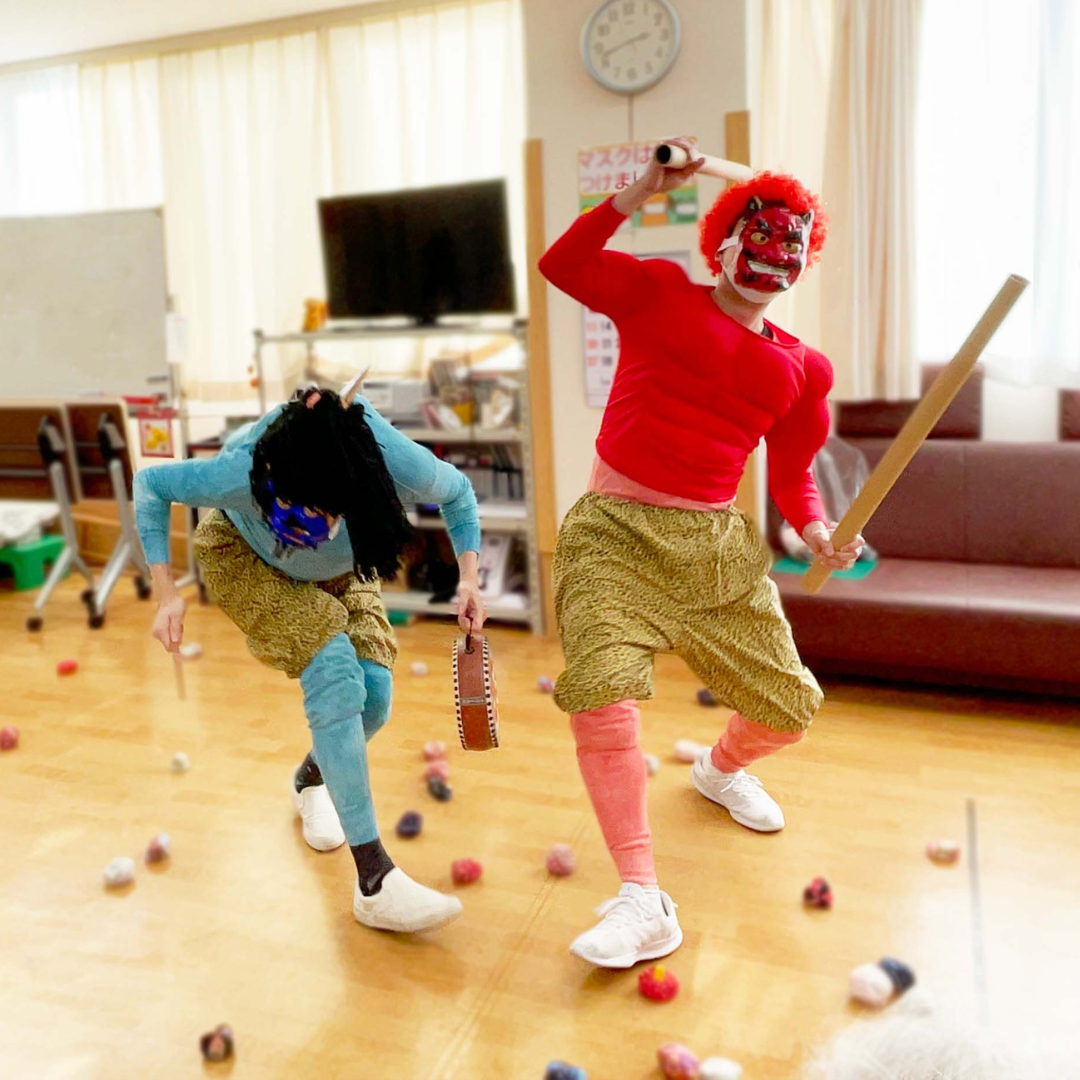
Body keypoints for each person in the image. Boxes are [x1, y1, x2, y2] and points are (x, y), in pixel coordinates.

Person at [538, 138, 863, 968]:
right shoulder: (656, 292)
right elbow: (561, 265)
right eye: (760, 235)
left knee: (789, 706)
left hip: (714, 544)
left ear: (804, 263)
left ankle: (719, 772)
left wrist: (818, 534)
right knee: (601, 694)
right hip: (613, 531)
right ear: (721, 241)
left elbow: (794, 475)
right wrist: (641, 188)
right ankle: (642, 898)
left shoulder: (805, 369)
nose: (773, 253)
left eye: (792, 244)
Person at [134, 380, 486, 934]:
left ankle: (311, 779)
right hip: (245, 560)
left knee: (374, 697)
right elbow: (150, 484)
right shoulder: (240, 469)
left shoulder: (394, 463)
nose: (298, 529)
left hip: (345, 569)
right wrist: (166, 593)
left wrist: (468, 578)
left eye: (315, 517)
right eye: (287, 511)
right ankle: (374, 881)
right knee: (335, 676)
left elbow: (459, 495)